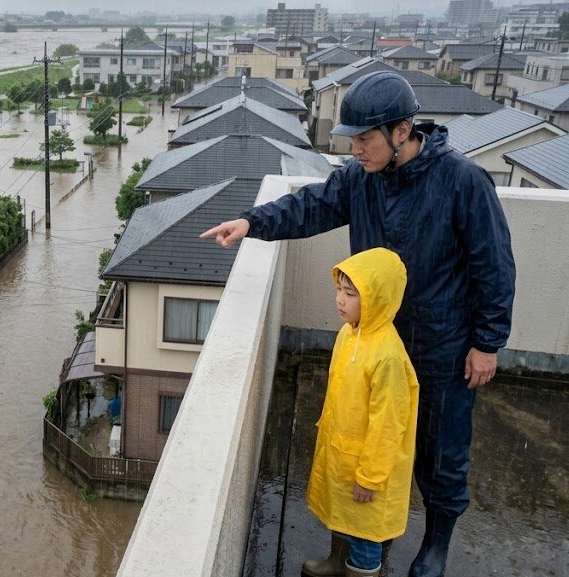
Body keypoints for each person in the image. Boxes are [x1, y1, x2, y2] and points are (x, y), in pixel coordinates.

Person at [199, 71, 516, 577]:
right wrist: (252, 222)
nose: (356, 149)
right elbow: (311, 206)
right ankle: (353, 549)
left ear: (403, 130)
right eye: (352, 139)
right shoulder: (359, 179)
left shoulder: (462, 181)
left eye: (365, 138)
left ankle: (436, 545)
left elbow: (494, 267)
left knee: (440, 450)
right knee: (359, 444)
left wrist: (487, 342)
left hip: (442, 345)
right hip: (373, 340)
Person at [304, 247, 419, 577]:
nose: (340, 300)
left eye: (351, 294)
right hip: (343, 453)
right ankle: (336, 562)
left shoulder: (388, 357)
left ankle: (360, 571)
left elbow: (388, 424)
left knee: (365, 536)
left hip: (368, 467)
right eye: (339, 289)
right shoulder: (348, 333)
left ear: (378, 297)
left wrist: (370, 477)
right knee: (342, 515)